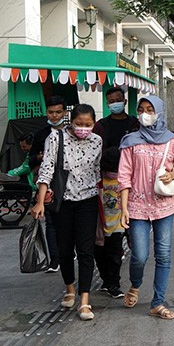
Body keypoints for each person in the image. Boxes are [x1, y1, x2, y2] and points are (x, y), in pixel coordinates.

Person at [118, 95, 174, 320]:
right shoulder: (131, 141)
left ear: (159, 112)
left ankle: (158, 302)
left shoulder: (171, 140)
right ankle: (135, 284)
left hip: (164, 207)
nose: (145, 114)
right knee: (139, 255)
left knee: (164, 255)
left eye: (150, 109)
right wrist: (123, 209)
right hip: (137, 206)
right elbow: (124, 176)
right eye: (141, 110)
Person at [30, 104, 102, 321]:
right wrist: (40, 201)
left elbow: (97, 171)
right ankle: (70, 288)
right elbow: (46, 170)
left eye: (88, 125)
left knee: (86, 250)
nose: (83, 129)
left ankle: (85, 300)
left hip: (88, 200)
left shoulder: (97, 141)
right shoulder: (55, 138)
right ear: (71, 121)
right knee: (65, 248)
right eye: (79, 124)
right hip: (63, 201)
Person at [91, 87, 139, 299]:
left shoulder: (134, 124)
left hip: (132, 184)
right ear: (107, 103)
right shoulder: (102, 126)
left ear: (125, 101)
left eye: (118, 99)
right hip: (106, 185)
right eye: (111, 101)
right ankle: (109, 281)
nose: (115, 103)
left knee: (122, 239)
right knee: (104, 244)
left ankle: (114, 281)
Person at [29, 95, 67, 273]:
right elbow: (30, 159)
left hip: (69, 186)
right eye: (51, 112)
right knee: (51, 223)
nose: (54, 115)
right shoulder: (41, 134)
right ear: (46, 112)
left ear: (64, 112)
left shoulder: (71, 133)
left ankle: (67, 252)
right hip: (49, 186)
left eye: (58, 112)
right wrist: (39, 157)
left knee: (67, 223)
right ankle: (55, 260)